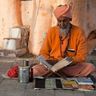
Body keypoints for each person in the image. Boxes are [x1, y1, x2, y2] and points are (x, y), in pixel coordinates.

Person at [33, 4, 96, 77]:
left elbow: (81, 56)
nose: (62, 24)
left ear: (70, 19)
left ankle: (54, 74)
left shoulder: (79, 32)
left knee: (90, 68)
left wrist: (69, 61)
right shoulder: (52, 31)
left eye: (64, 21)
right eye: (59, 21)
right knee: (34, 71)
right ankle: (58, 73)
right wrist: (50, 61)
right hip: (52, 66)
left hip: (70, 67)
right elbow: (43, 52)